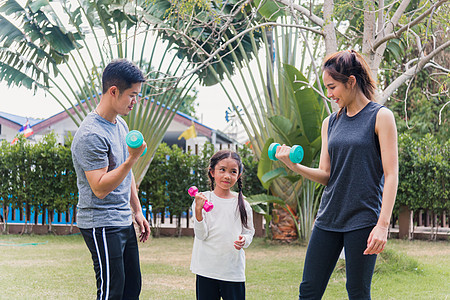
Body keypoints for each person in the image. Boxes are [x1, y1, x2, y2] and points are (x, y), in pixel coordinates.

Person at [275, 49, 398, 300]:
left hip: (362, 219)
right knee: (308, 291)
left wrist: (382, 225)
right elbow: (326, 174)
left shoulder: (381, 117)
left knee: (357, 292)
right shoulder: (330, 123)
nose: (329, 94)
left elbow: (392, 173)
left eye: (332, 87)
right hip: (328, 217)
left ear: (351, 82)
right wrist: (294, 167)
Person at [71, 59, 150, 300]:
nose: (135, 101)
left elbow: (127, 178)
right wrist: (131, 159)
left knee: (131, 289)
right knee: (111, 292)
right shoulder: (90, 134)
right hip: (101, 223)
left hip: (122, 219)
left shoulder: (121, 125)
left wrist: (137, 211)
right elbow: (100, 188)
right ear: (113, 91)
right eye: (132, 95)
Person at [190, 149, 255, 300]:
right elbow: (201, 235)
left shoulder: (243, 204)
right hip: (206, 269)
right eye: (222, 170)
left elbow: (249, 231)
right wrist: (199, 210)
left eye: (233, 171)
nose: (227, 176)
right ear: (212, 172)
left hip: (232, 271)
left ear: (238, 175)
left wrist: (244, 240)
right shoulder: (202, 199)